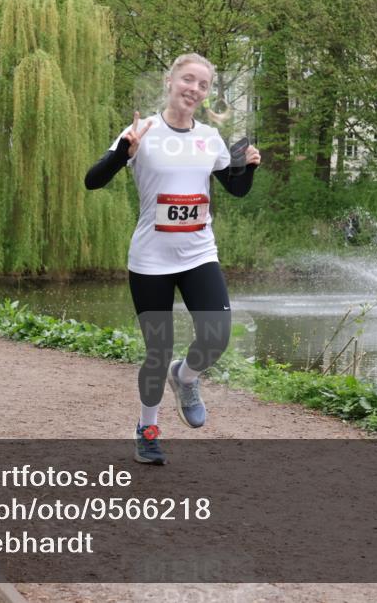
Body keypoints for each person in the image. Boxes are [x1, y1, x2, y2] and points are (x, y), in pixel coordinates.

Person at [85, 53, 261, 464]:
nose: (194, 90)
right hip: (150, 260)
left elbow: (235, 189)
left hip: (199, 253)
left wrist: (247, 166)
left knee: (216, 336)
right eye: (188, 80)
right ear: (169, 81)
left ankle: (185, 377)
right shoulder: (142, 130)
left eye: (202, 85)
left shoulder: (209, 139)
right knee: (156, 350)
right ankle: (147, 430)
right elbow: (93, 180)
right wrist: (123, 152)